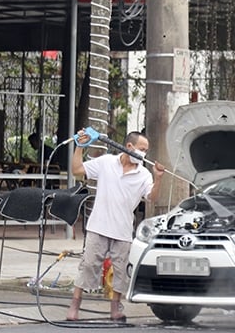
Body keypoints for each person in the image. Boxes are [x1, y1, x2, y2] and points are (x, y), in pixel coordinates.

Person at [66, 130, 165, 322]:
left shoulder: (143, 174)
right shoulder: (106, 162)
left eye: (146, 151)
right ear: (129, 147)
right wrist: (80, 146)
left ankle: (115, 308)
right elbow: (77, 170)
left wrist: (158, 178)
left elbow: (152, 197)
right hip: (98, 226)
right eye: (142, 149)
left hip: (123, 230)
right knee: (88, 265)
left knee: (121, 271)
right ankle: (75, 305)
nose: (144, 154)